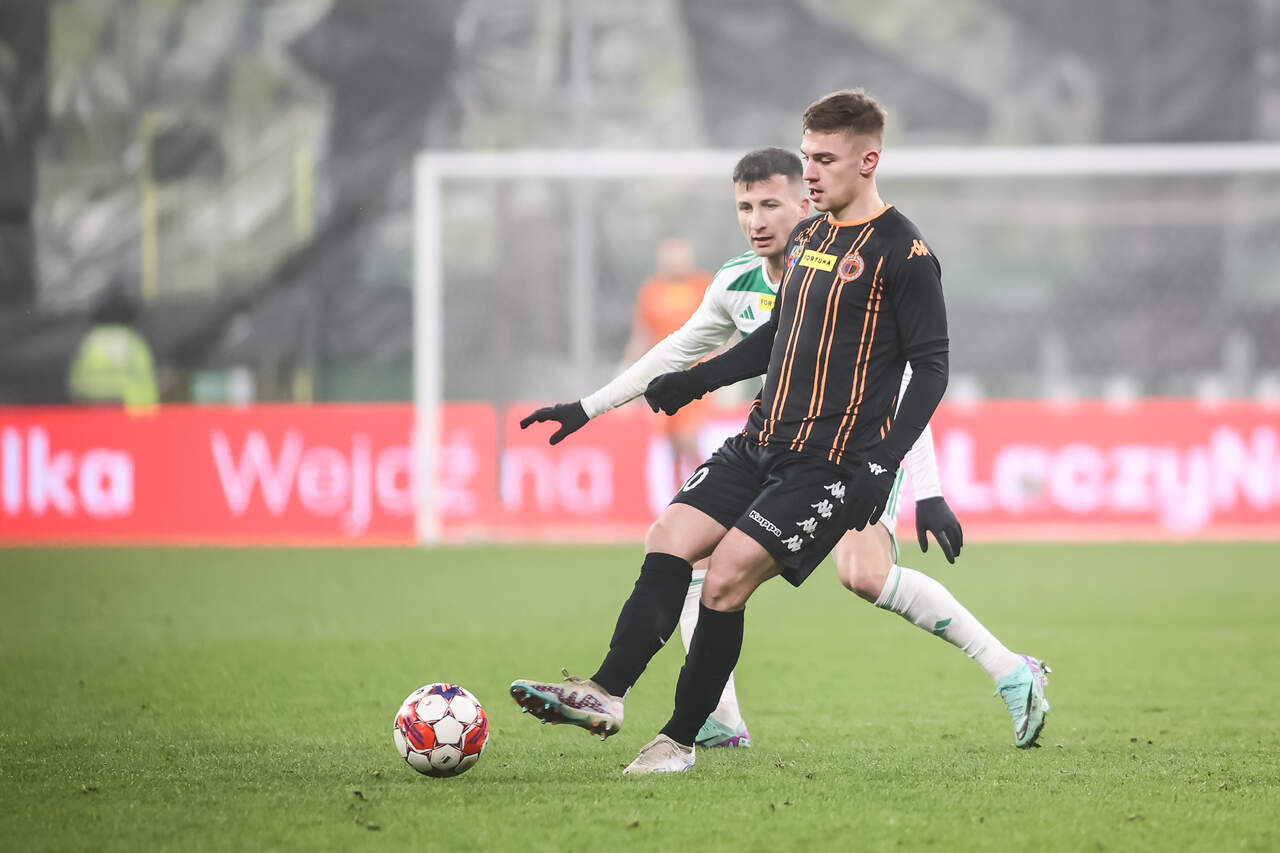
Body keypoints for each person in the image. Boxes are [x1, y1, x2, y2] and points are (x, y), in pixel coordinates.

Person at [513, 90, 1050, 774]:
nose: (811, 174)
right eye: (807, 157)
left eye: (824, 160)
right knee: (668, 537)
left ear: (868, 160)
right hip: (759, 440)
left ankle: (679, 740)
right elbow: (777, 335)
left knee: (729, 579)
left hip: (829, 463)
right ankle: (606, 691)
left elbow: (931, 370)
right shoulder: (809, 238)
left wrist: (893, 469)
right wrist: (694, 380)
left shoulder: (905, 253)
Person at [620, 238, 715, 493]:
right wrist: (625, 373)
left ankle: (708, 491)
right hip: (662, 378)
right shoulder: (651, 291)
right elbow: (642, 336)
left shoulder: (702, 286)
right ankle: (677, 498)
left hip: (696, 375)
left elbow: (722, 327)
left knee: (688, 438)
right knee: (672, 444)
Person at [67, 285, 159, 412]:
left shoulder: (91, 342)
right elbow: (147, 383)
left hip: (96, 411)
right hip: (131, 413)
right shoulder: (134, 342)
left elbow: (76, 385)